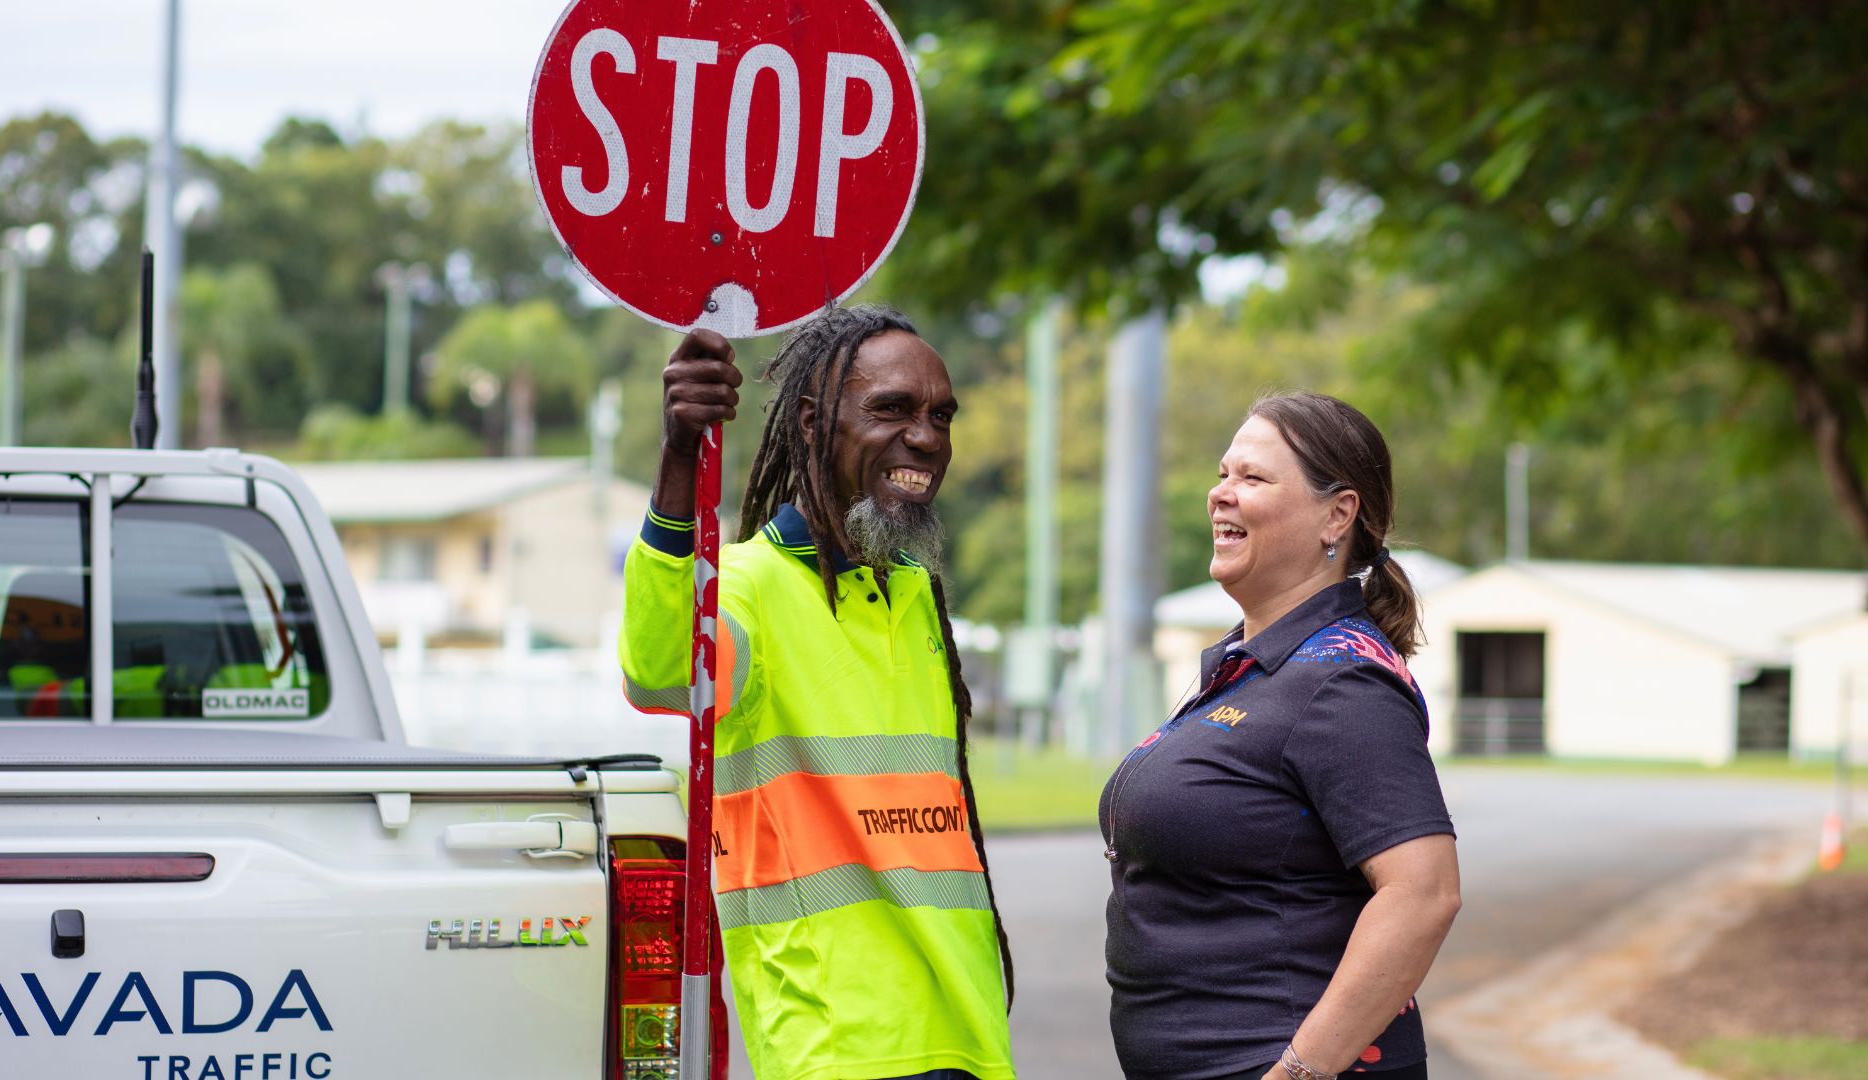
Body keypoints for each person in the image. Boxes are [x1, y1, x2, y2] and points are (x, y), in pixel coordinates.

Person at [619, 305, 1017, 1080]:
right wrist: (678, 458)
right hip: (832, 1048)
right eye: (893, 410)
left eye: (942, 416)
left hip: (966, 1038)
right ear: (812, 422)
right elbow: (660, 668)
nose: (928, 438)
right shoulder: (746, 587)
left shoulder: (914, 593)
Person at [1100, 391, 1461, 1080]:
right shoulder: (1254, 669)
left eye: (1253, 479)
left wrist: (1296, 1074)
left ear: (1338, 513)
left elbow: (1424, 893)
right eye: (1223, 473)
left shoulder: (1342, 681)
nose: (1221, 495)